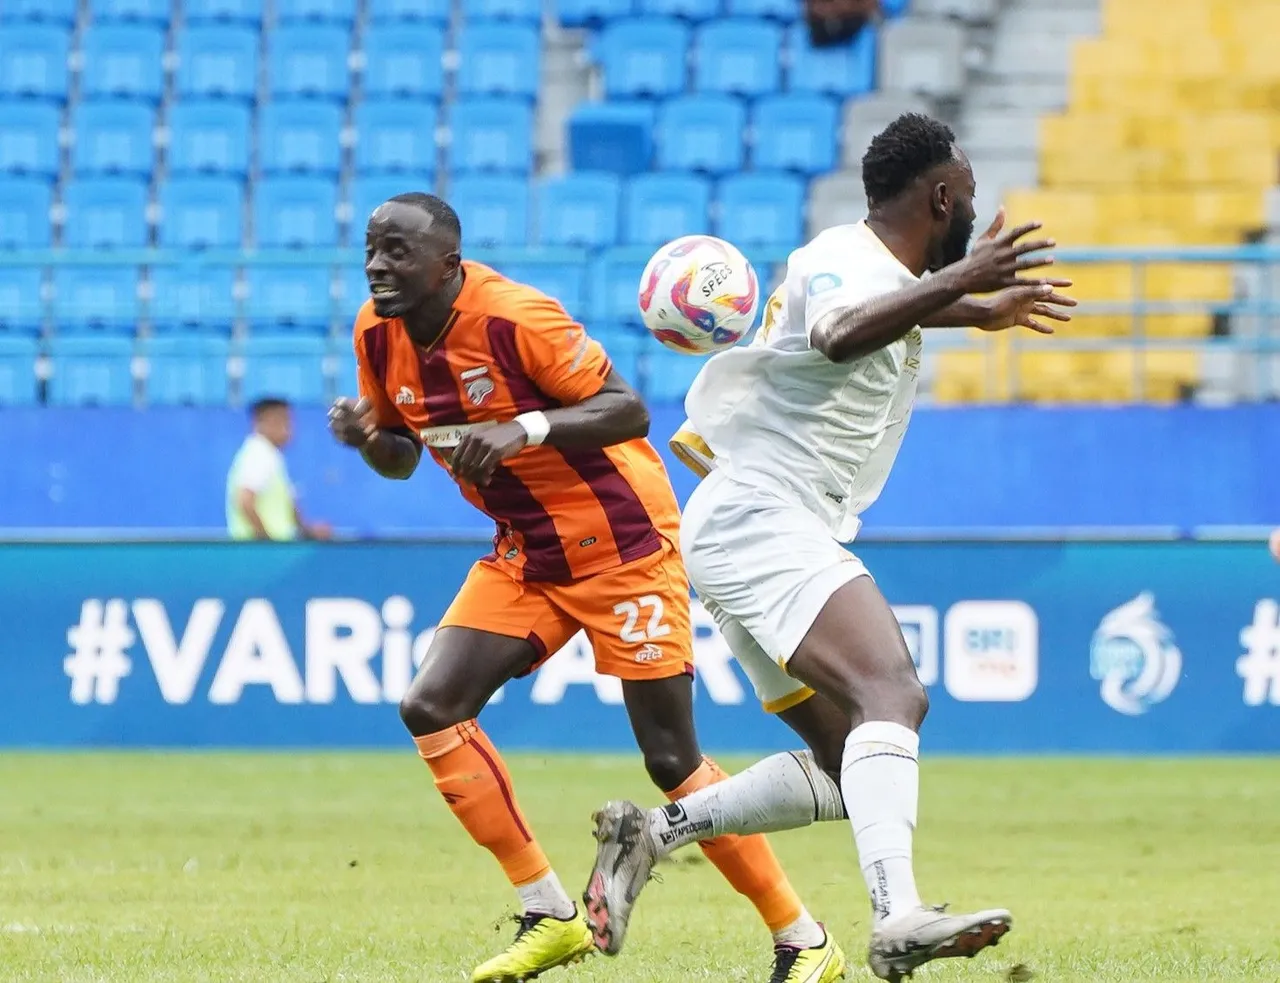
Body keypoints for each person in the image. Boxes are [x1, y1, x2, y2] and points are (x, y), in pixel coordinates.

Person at [584, 113, 1077, 982]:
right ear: (940, 196)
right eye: (965, 197)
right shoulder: (842, 258)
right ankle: (900, 918)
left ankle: (650, 833)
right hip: (762, 514)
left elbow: (878, 313)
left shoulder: (876, 269)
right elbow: (838, 332)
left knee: (850, 765)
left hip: (757, 524)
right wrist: (965, 277)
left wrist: (977, 309)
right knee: (894, 690)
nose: (971, 212)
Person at [327, 192, 845, 983]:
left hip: (623, 543)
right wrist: (369, 440)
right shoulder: (376, 332)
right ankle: (548, 911)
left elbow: (627, 409)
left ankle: (804, 938)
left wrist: (523, 428)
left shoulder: (515, 319)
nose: (377, 266)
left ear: (449, 266)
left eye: (397, 251)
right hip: (526, 553)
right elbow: (400, 455)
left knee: (672, 760)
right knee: (431, 705)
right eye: (371, 249)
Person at [227, 397, 330, 541]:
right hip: (259, 555)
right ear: (262, 422)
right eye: (283, 421)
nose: (289, 429)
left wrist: (308, 531)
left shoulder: (270, 455)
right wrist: (267, 544)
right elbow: (245, 501)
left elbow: (289, 508)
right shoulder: (258, 454)